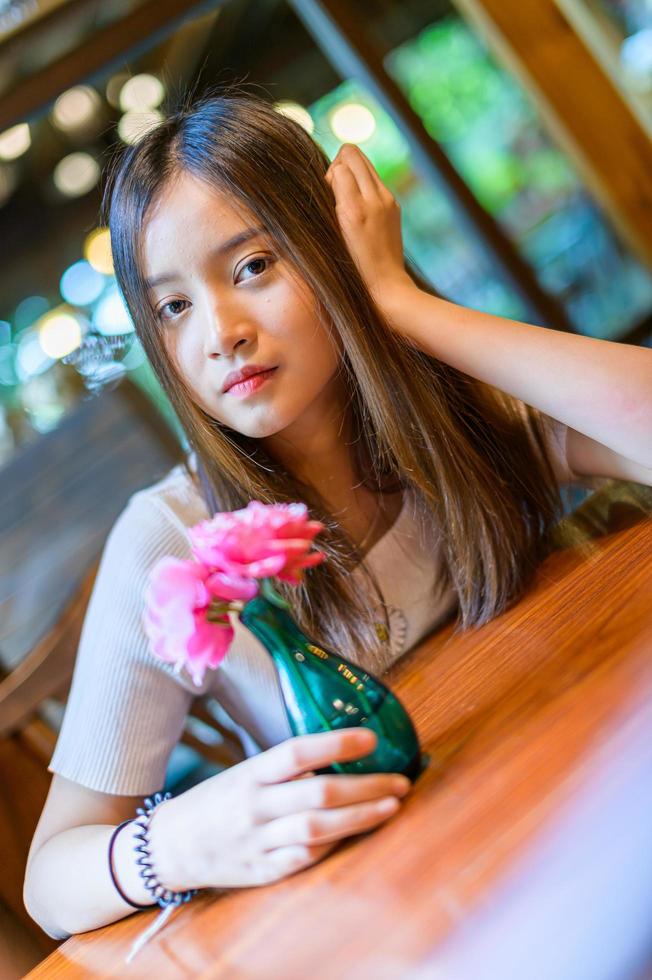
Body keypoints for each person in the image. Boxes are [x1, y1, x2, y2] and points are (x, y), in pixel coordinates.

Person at [24, 85, 652, 940]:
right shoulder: (170, 541)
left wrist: (401, 306)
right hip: (400, 910)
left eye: (252, 266)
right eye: (173, 307)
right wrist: (176, 843)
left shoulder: (451, 405)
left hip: (575, 789)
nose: (221, 332)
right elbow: (50, 881)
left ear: (336, 249)